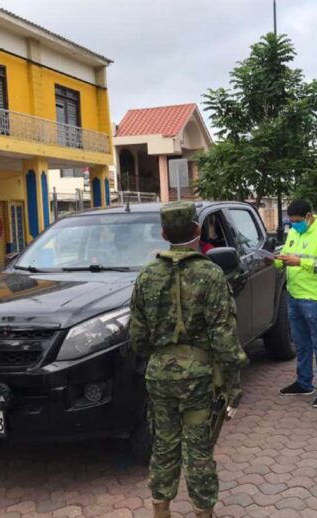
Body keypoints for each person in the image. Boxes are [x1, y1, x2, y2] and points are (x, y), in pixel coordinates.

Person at [129, 201, 248, 518]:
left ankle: (161, 512)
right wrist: (234, 385)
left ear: (164, 233)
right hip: (199, 378)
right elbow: (225, 335)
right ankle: (202, 513)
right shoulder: (210, 274)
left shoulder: (147, 275)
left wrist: (158, 358)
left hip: (159, 376)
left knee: (164, 446)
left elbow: (137, 337)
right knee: (199, 450)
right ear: (197, 230)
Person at [271, 199, 317, 408]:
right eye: (291, 222)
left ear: (308, 216)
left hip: (314, 297)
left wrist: (301, 262)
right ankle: (304, 382)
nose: (294, 225)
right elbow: (287, 258)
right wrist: (274, 261)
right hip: (294, 294)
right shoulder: (294, 232)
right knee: (301, 343)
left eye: (297, 221)